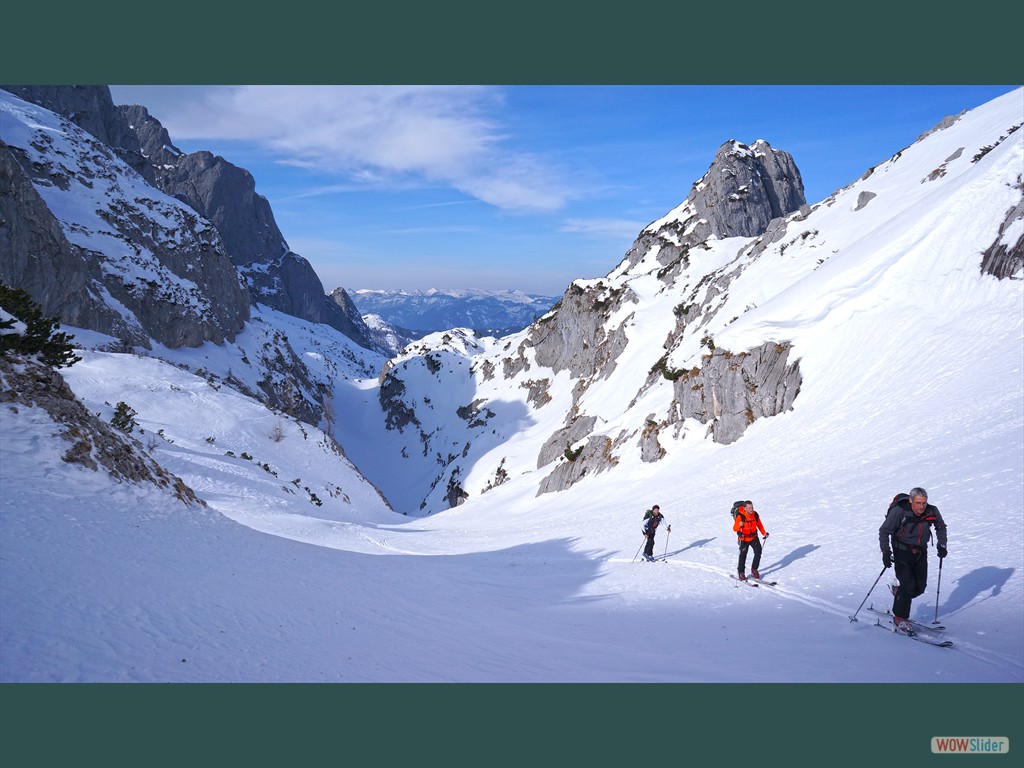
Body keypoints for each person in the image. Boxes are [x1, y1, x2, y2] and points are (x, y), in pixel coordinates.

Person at [878, 487, 947, 635]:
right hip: (901, 549)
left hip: (921, 551)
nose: (921, 507)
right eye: (918, 503)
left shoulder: (931, 510)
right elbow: (884, 531)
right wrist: (885, 552)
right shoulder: (899, 512)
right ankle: (900, 617)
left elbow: (940, 526)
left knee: (920, 587)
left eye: (924, 503)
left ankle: (899, 593)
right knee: (908, 584)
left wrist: (942, 544)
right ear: (911, 501)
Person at [733, 500, 768, 580]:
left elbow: (759, 524)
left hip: (753, 537)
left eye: (752, 507)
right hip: (744, 538)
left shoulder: (755, 515)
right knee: (743, 555)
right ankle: (741, 572)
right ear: (745, 508)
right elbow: (734, 529)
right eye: (749, 508)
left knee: (758, 551)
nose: (751, 509)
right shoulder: (740, 516)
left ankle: (754, 569)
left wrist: (764, 533)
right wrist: (739, 525)